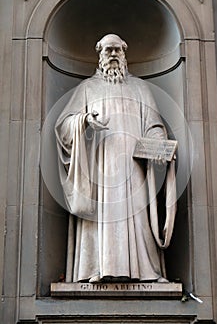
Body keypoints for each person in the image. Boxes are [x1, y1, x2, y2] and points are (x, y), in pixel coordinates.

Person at [55, 34, 177, 283]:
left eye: (117, 50)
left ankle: (145, 271)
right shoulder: (88, 88)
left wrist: (157, 145)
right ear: (99, 54)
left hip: (134, 169)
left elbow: (154, 125)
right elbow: (63, 127)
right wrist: (84, 121)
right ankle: (95, 267)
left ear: (125, 53)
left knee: (138, 219)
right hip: (99, 168)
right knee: (101, 216)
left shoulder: (140, 88)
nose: (112, 55)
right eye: (108, 50)